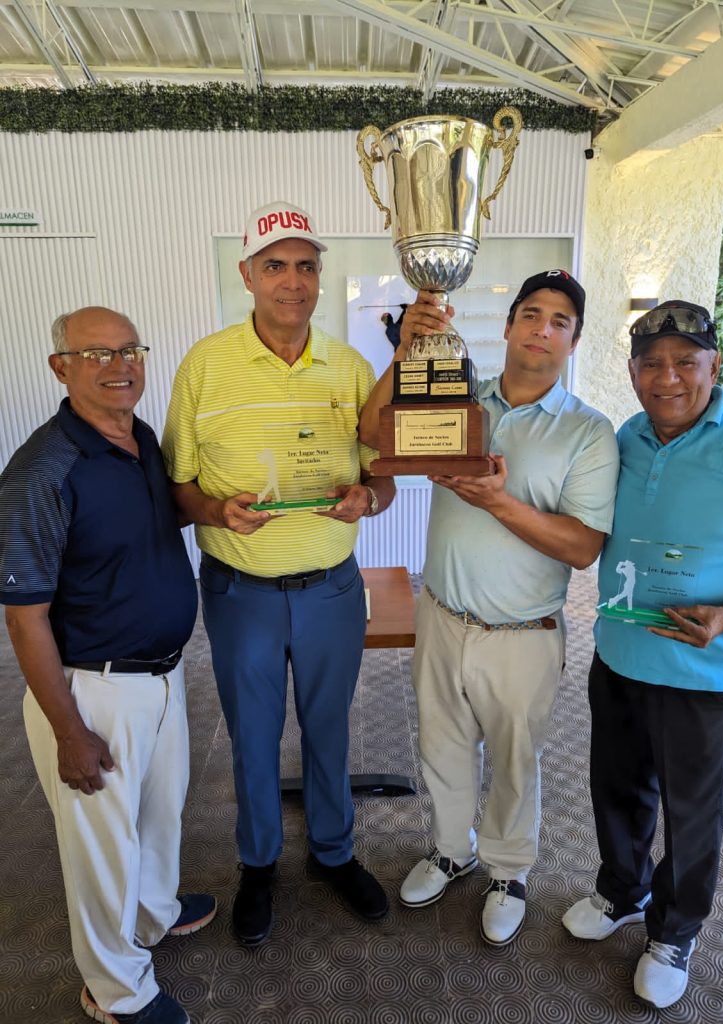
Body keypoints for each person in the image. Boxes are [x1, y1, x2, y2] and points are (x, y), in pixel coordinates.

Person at [359, 269, 619, 946]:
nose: (541, 329)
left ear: (573, 340)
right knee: (441, 747)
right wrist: (405, 351)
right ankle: (453, 851)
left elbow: (583, 547)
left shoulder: (589, 432)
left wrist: (498, 501)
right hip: (443, 614)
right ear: (507, 325)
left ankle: (507, 871)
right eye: (530, 314)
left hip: (523, 632)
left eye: (559, 321)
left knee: (514, 760)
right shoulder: (458, 398)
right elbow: (373, 432)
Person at [161, 200, 396, 946]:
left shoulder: (351, 368)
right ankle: (258, 863)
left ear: (319, 276)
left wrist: (368, 498)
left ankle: (333, 852)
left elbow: (384, 476)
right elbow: (176, 486)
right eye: (275, 266)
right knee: (252, 735)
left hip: (330, 589)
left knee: (329, 728)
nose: (292, 281)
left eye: (304, 266)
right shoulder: (205, 365)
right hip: (242, 593)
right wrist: (214, 511)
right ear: (247, 276)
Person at [0, 307, 214, 1024]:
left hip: (161, 673)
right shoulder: (42, 471)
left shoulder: (138, 437)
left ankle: (153, 913)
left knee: (158, 812)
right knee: (100, 848)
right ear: (60, 367)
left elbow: (151, 516)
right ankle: (117, 990)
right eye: (96, 354)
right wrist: (70, 731)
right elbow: (24, 616)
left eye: (129, 350)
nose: (119, 366)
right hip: (94, 689)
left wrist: (220, 509)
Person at [562, 301, 723, 1009]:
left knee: (692, 813)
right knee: (616, 790)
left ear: (715, 365)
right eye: (650, 363)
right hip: (620, 655)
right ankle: (623, 891)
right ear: (631, 372)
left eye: (685, 361)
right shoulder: (626, 437)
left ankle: (675, 931)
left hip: (707, 670)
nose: (667, 377)